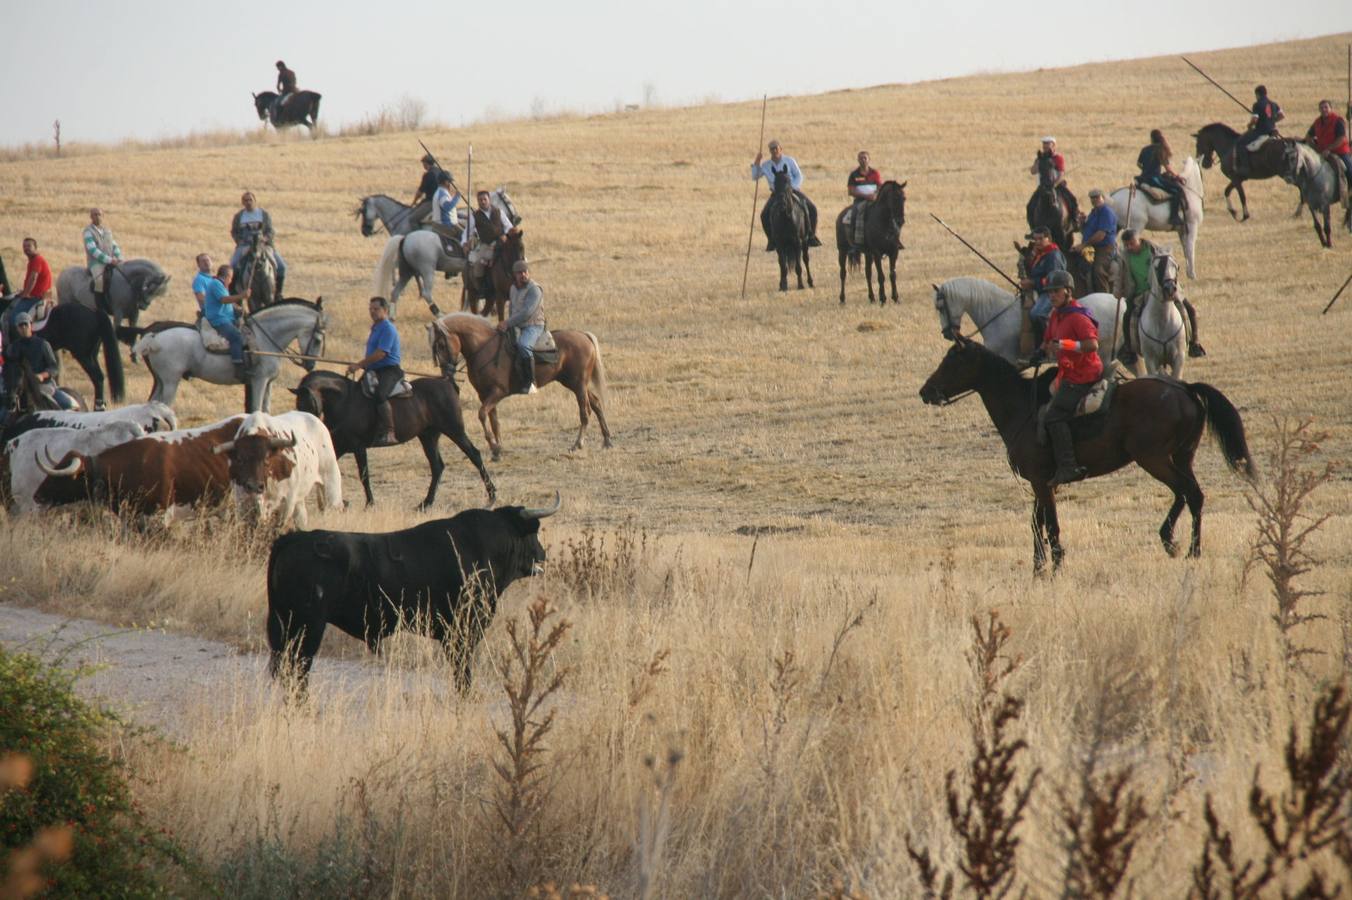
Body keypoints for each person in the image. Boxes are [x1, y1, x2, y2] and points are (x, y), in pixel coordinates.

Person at [1040, 270, 1101, 487]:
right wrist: (1041, 351)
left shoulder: (1078, 316)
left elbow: (1092, 345)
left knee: (1054, 416)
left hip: (1084, 374)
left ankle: (1068, 467)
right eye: (1049, 293)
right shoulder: (1055, 315)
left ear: (1068, 291)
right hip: (1066, 373)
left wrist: (1066, 345)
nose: (1052, 296)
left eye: (1055, 291)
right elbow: (1048, 341)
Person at [1114, 230, 1205, 362]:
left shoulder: (1155, 250)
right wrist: (1118, 290)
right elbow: (1120, 275)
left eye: (1131, 243)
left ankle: (1194, 342)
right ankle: (1129, 348)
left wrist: (1171, 286)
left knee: (1189, 309)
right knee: (1128, 317)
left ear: (1139, 239)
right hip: (1138, 293)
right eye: (1126, 245)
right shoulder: (1124, 257)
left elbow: (1170, 266)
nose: (1129, 247)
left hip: (1164, 289)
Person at [346, 296, 403, 446]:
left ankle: (390, 432)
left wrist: (359, 365)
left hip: (389, 370)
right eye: (370, 309)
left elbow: (381, 354)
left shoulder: (388, 328)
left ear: (385, 310)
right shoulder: (376, 328)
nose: (372, 312)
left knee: (380, 395)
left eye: (376, 309)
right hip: (374, 369)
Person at [751, 139, 821, 250]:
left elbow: (798, 176)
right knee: (764, 215)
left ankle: (811, 235)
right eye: (772, 149)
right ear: (770, 151)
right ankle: (771, 240)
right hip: (776, 194)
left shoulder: (789, 161)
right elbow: (755, 176)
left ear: (780, 149)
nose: (774, 151)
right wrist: (757, 161)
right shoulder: (766, 165)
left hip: (792, 190)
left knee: (812, 208)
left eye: (776, 148)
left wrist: (791, 188)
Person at [5, 312, 75, 410]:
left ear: (31, 325)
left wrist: (42, 375)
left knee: (67, 404)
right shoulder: (12, 348)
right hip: (19, 389)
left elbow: (54, 367)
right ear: (17, 328)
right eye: (20, 325)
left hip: (44, 385)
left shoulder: (43, 344)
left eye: (26, 324)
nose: (24, 327)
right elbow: (9, 368)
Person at [497, 259, 544, 395]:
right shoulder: (513, 288)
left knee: (523, 345)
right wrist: (508, 324)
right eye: (519, 273)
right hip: (517, 325)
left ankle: (531, 382)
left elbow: (527, 312)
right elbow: (512, 308)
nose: (523, 275)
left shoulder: (535, 289)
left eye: (525, 272)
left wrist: (507, 323)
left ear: (528, 273)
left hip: (533, 325)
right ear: (514, 275)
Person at [200, 258, 252, 381]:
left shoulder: (221, 285)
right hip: (218, 320)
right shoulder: (216, 284)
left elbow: (227, 302)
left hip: (226, 318)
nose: (231, 280)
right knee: (236, 336)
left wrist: (237, 308)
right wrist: (241, 296)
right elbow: (223, 299)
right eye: (231, 278)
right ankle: (238, 368)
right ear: (227, 276)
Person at [230, 191, 286, 296]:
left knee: (282, 266)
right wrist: (239, 240)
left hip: (263, 246)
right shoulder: (239, 216)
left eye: (250, 200)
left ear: (255, 201)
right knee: (232, 265)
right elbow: (234, 232)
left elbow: (270, 231)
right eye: (245, 200)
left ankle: (278, 293)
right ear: (242, 202)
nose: (248, 202)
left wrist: (265, 239)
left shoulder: (263, 214)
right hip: (245, 246)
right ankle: (233, 291)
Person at [1019, 226, 1066, 349]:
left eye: (1041, 239)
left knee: (1037, 314)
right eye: (1036, 240)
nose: (1038, 242)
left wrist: (1033, 283)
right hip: (1039, 291)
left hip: (1052, 292)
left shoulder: (1053, 255)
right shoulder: (1042, 254)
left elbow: (1053, 279)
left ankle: (1045, 347)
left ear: (1048, 238)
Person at [462, 189, 514, 293]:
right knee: (478, 264)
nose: (483, 202)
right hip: (486, 245)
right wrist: (464, 243)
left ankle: (519, 281)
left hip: (501, 242)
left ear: (489, 199)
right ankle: (481, 288)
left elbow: (508, 226)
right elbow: (467, 231)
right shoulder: (474, 216)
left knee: (516, 257)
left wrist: (507, 236)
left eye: (484, 199)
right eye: (480, 200)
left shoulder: (499, 211)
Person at [1026, 137, 1079, 229]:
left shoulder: (1058, 158)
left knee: (1072, 200)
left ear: (1054, 146)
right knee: (1030, 205)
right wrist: (1038, 162)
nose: (1045, 147)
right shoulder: (1040, 158)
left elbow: (1061, 174)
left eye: (1048, 145)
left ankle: (1074, 221)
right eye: (1044, 145)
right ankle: (1033, 228)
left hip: (1057, 185)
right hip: (1042, 187)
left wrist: (1054, 184)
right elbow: (1033, 171)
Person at [1135, 129, 1186, 226]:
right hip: (1154, 179)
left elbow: (1138, 164)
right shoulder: (1161, 149)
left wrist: (1146, 168)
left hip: (1142, 177)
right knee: (1178, 190)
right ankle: (1174, 217)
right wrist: (1177, 176)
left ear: (1151, 138)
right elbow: (1168, 169)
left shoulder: (1145, 149)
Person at [1072, 189, 1118, 294]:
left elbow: (1101, 234)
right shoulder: (1093, 213)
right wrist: (1083, 223)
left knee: (1098, 270)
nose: (1094, 200)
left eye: (1097, 197)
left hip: (1105, 248)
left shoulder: (1107, 212)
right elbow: (1086, 232)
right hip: (1091, 247)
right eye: (1092, 198)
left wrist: (1083, 245)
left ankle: (1104, 295)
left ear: (1103, 197)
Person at [1304, 99, 1352, 195]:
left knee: (1350, 170)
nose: (1324, 110)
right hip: (1322, 152)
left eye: (1326, 107)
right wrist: (1315, 148)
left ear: (1331, 108)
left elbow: (1342, 138)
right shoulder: (1317, 122)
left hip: (1340, 152)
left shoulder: (1338, 120)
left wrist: (1328, 149)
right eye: (1321, 108)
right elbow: (1308, 136)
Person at [83, 207, 123, 316]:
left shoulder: (107, 231)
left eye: (99, 214)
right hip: (96, 263)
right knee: (99, 281)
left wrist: (119, 257)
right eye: (95, 215)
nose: (97, 217)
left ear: (103, 216)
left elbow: (114, 245)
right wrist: (110, 260)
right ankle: (100, 308)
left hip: (111, 261)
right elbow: (92, 250)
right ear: (91, 217)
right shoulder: (88, 232)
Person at [1235, 85, 1284, 175]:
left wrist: (1249, 126)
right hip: (1272, 131)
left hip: (1260, 131)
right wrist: (1272, 120)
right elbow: (1282, 116)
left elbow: (1255, 120)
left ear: (1257, 94)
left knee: (1240, 143)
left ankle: (1245, 167)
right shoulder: (1274, 104)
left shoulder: (1257, 105)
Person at [845, 150, 883, 249]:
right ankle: (857, 241)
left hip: (874, 200)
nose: (863, 160)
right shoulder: (854, 175)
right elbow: (851, 191)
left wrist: (875, 195)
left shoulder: (875, 173)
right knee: (855, 215)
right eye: (861, 158)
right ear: (858, 160)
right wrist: (866, 196)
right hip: (860, 201)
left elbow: (880, 187)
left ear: (869, 160)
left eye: (865, 158)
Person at [425, 171, 461, 243]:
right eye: (450, 182)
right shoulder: (442, 193)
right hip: (444, 225)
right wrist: (457, 197)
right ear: (446, 182)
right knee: (465, 236)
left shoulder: (442, 192)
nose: (451, 184)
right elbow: (447, 207)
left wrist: (462, 216)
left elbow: (448, 211)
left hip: (445, 223)